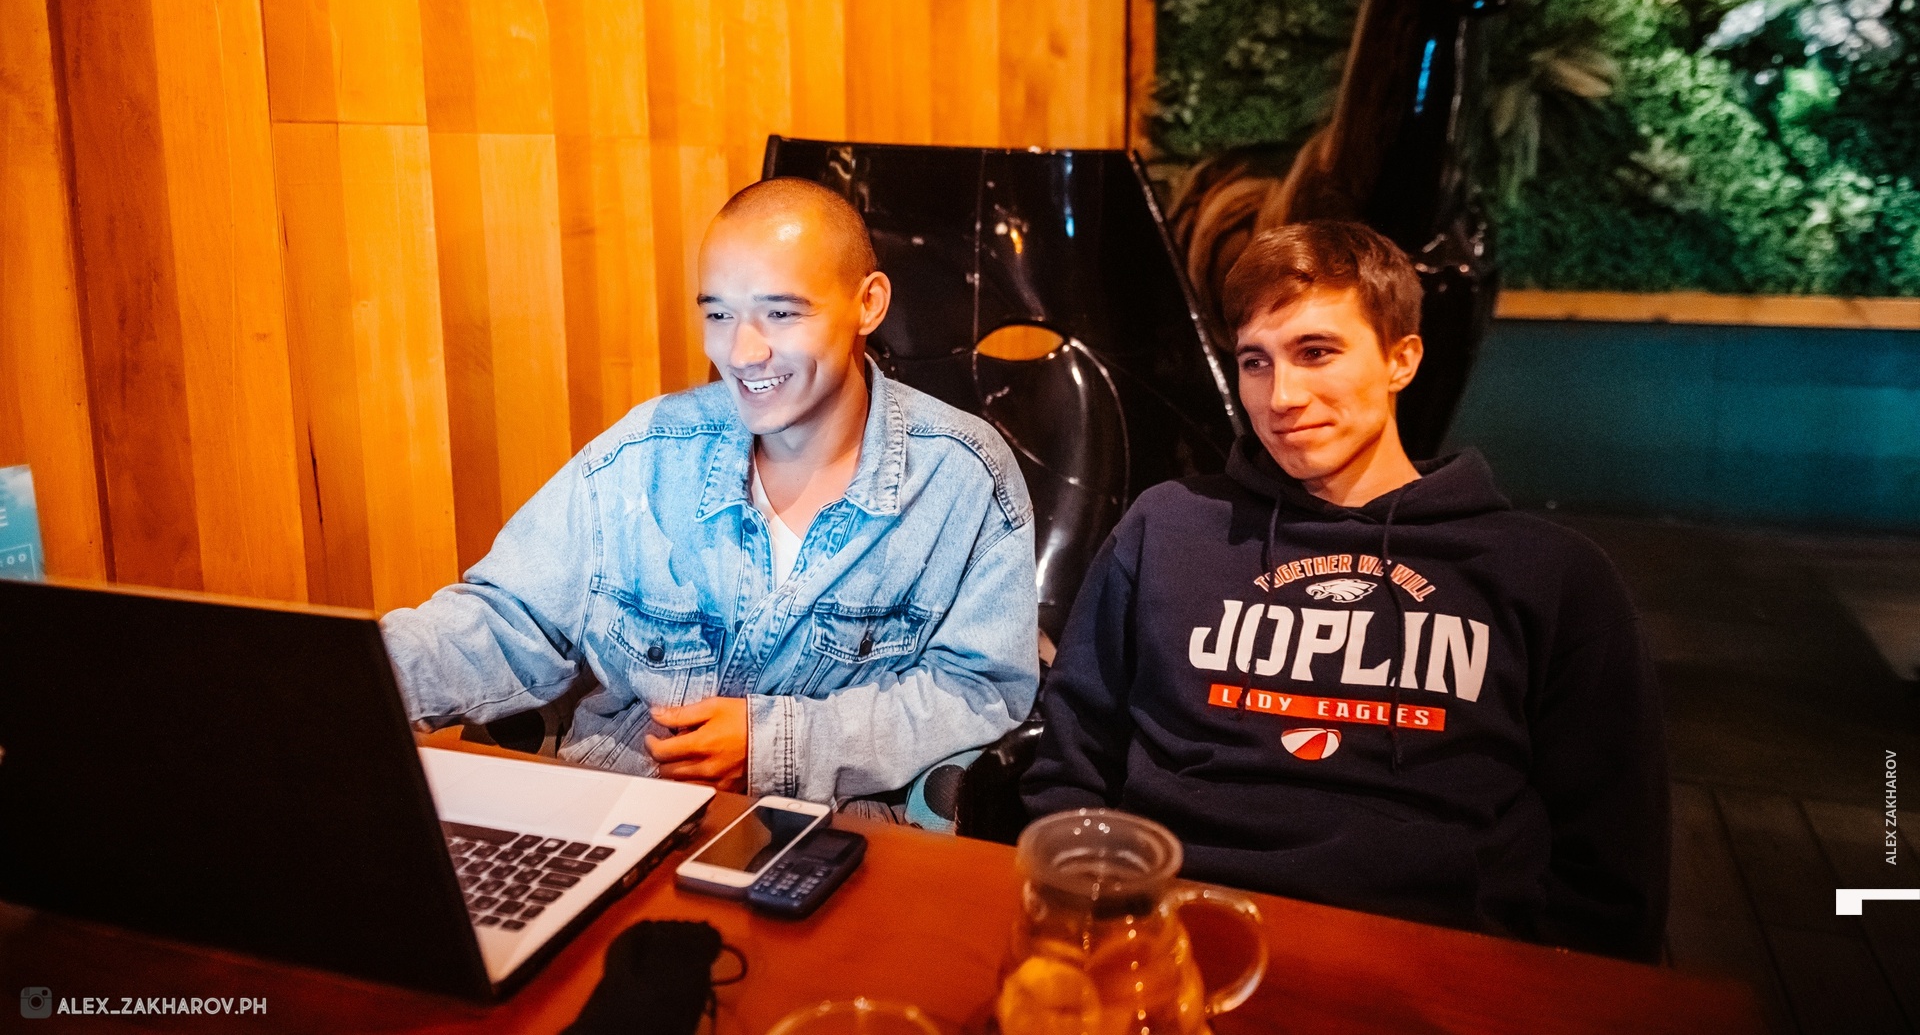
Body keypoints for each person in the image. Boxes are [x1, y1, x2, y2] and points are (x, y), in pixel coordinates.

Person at [1022, 220, 1669, 960]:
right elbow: (1073, 760)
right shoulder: (1167, 526)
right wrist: (1095, 925)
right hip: (1173, 942)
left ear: (1402, 359)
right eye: (1255, 362)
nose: (1282, 396)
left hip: (1436, 966)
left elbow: (1612, 874)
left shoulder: (1549, 574)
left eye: (1316, 352)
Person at [382, 178, 1039, 805]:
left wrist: (780, 745)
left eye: (781, 313)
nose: (743, 352)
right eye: (719, 314)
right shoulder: (646, 452)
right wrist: (354, 679)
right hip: (621, 805)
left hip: (834, 832)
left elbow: (981, 689)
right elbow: (508, 620)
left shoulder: (964, 476)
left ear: (868, 303)